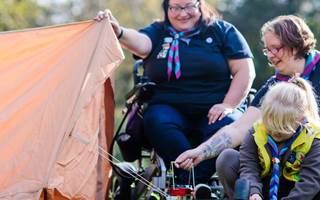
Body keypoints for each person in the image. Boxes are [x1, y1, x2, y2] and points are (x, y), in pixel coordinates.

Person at [95, 0, 255, 184]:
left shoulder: (222, 31)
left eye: (188, 6)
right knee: (157, 121)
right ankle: (193, 183)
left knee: (231, 126)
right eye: (175, 7)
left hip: (216, 107)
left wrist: (228, 104)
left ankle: (192, 182)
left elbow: (245, 71)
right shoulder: (158, 32)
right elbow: (141, 43)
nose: (182, 13)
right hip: (168, 107)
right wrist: (119, 32)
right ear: (166, 8)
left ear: (199, 5)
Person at [175, 14, 320, 193]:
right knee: (228, 159)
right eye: (267, 50)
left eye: (276, 48)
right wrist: (201, 151)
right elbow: (238, 128)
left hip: (311, 166)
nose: (271, 56)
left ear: (295, 43)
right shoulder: (273, 86)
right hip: (275, 166)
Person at [240, 77, 320, 200]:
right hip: (263, 186)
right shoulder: (256, 132)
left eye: (282, 128)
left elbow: (310, 182)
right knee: (227, 159)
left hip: (300, 191)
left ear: (301, 120)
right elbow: (248, 167)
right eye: (270, 126)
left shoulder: (314, 139)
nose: (275, 132)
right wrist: (253, 192)